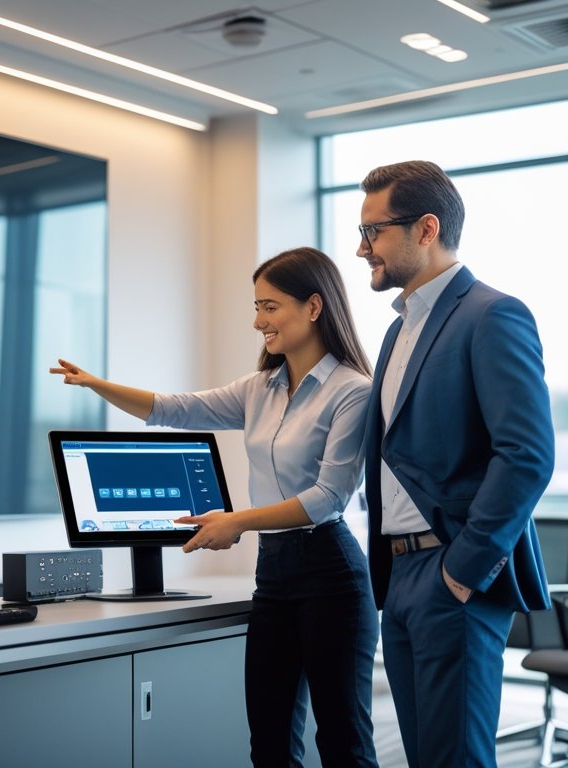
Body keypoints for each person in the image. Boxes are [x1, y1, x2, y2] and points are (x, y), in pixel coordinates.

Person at [52, 247, 379, 768]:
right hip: (274, 575)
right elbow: (171, 409)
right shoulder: (260, 388)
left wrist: (236, 522)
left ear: (314, 307)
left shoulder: (353, 391)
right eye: (256, 307)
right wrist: (95, 383)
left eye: (270, 307)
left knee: (343, 744)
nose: (257, 321)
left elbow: (327, 498)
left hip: (331, 575)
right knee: (269, 744)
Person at [355, 160, 555, 768]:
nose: (361, 249)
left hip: (452, 568)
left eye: (373, 232)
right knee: (425, 757)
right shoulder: (397, 333)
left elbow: (526, 455)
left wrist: (465, 567)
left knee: (455, 761)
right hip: (400, 571)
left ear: (425, 229)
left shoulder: (492, 314)